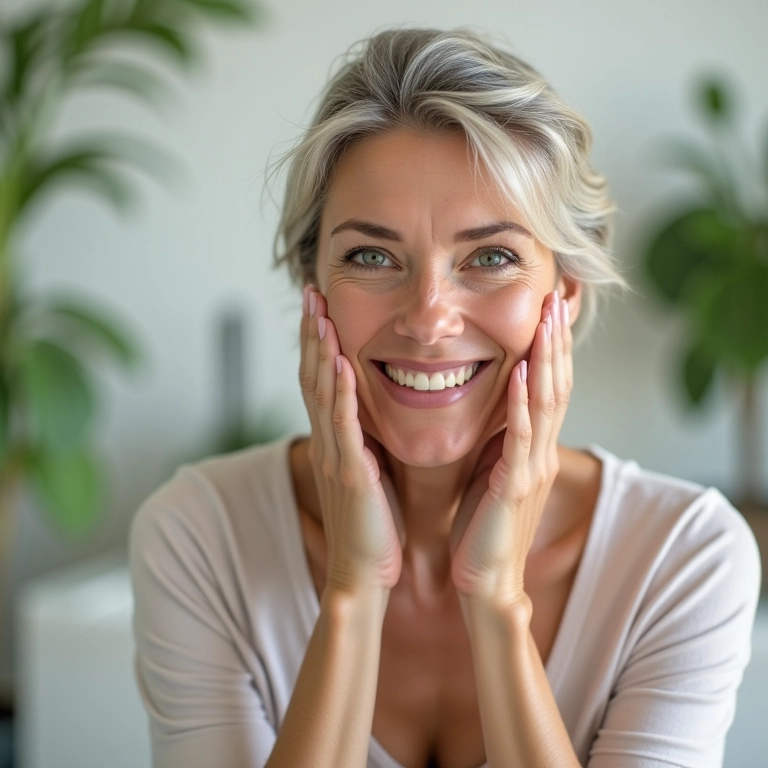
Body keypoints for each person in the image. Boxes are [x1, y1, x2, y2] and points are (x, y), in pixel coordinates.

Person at [128, 28, 762, 768]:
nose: (429, 317)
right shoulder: (199, 538)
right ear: (315, 292)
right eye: (372, 256)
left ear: (563, 296)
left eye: (490, 257)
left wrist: (496, 602)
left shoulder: (683, 559)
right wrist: (352, 593)